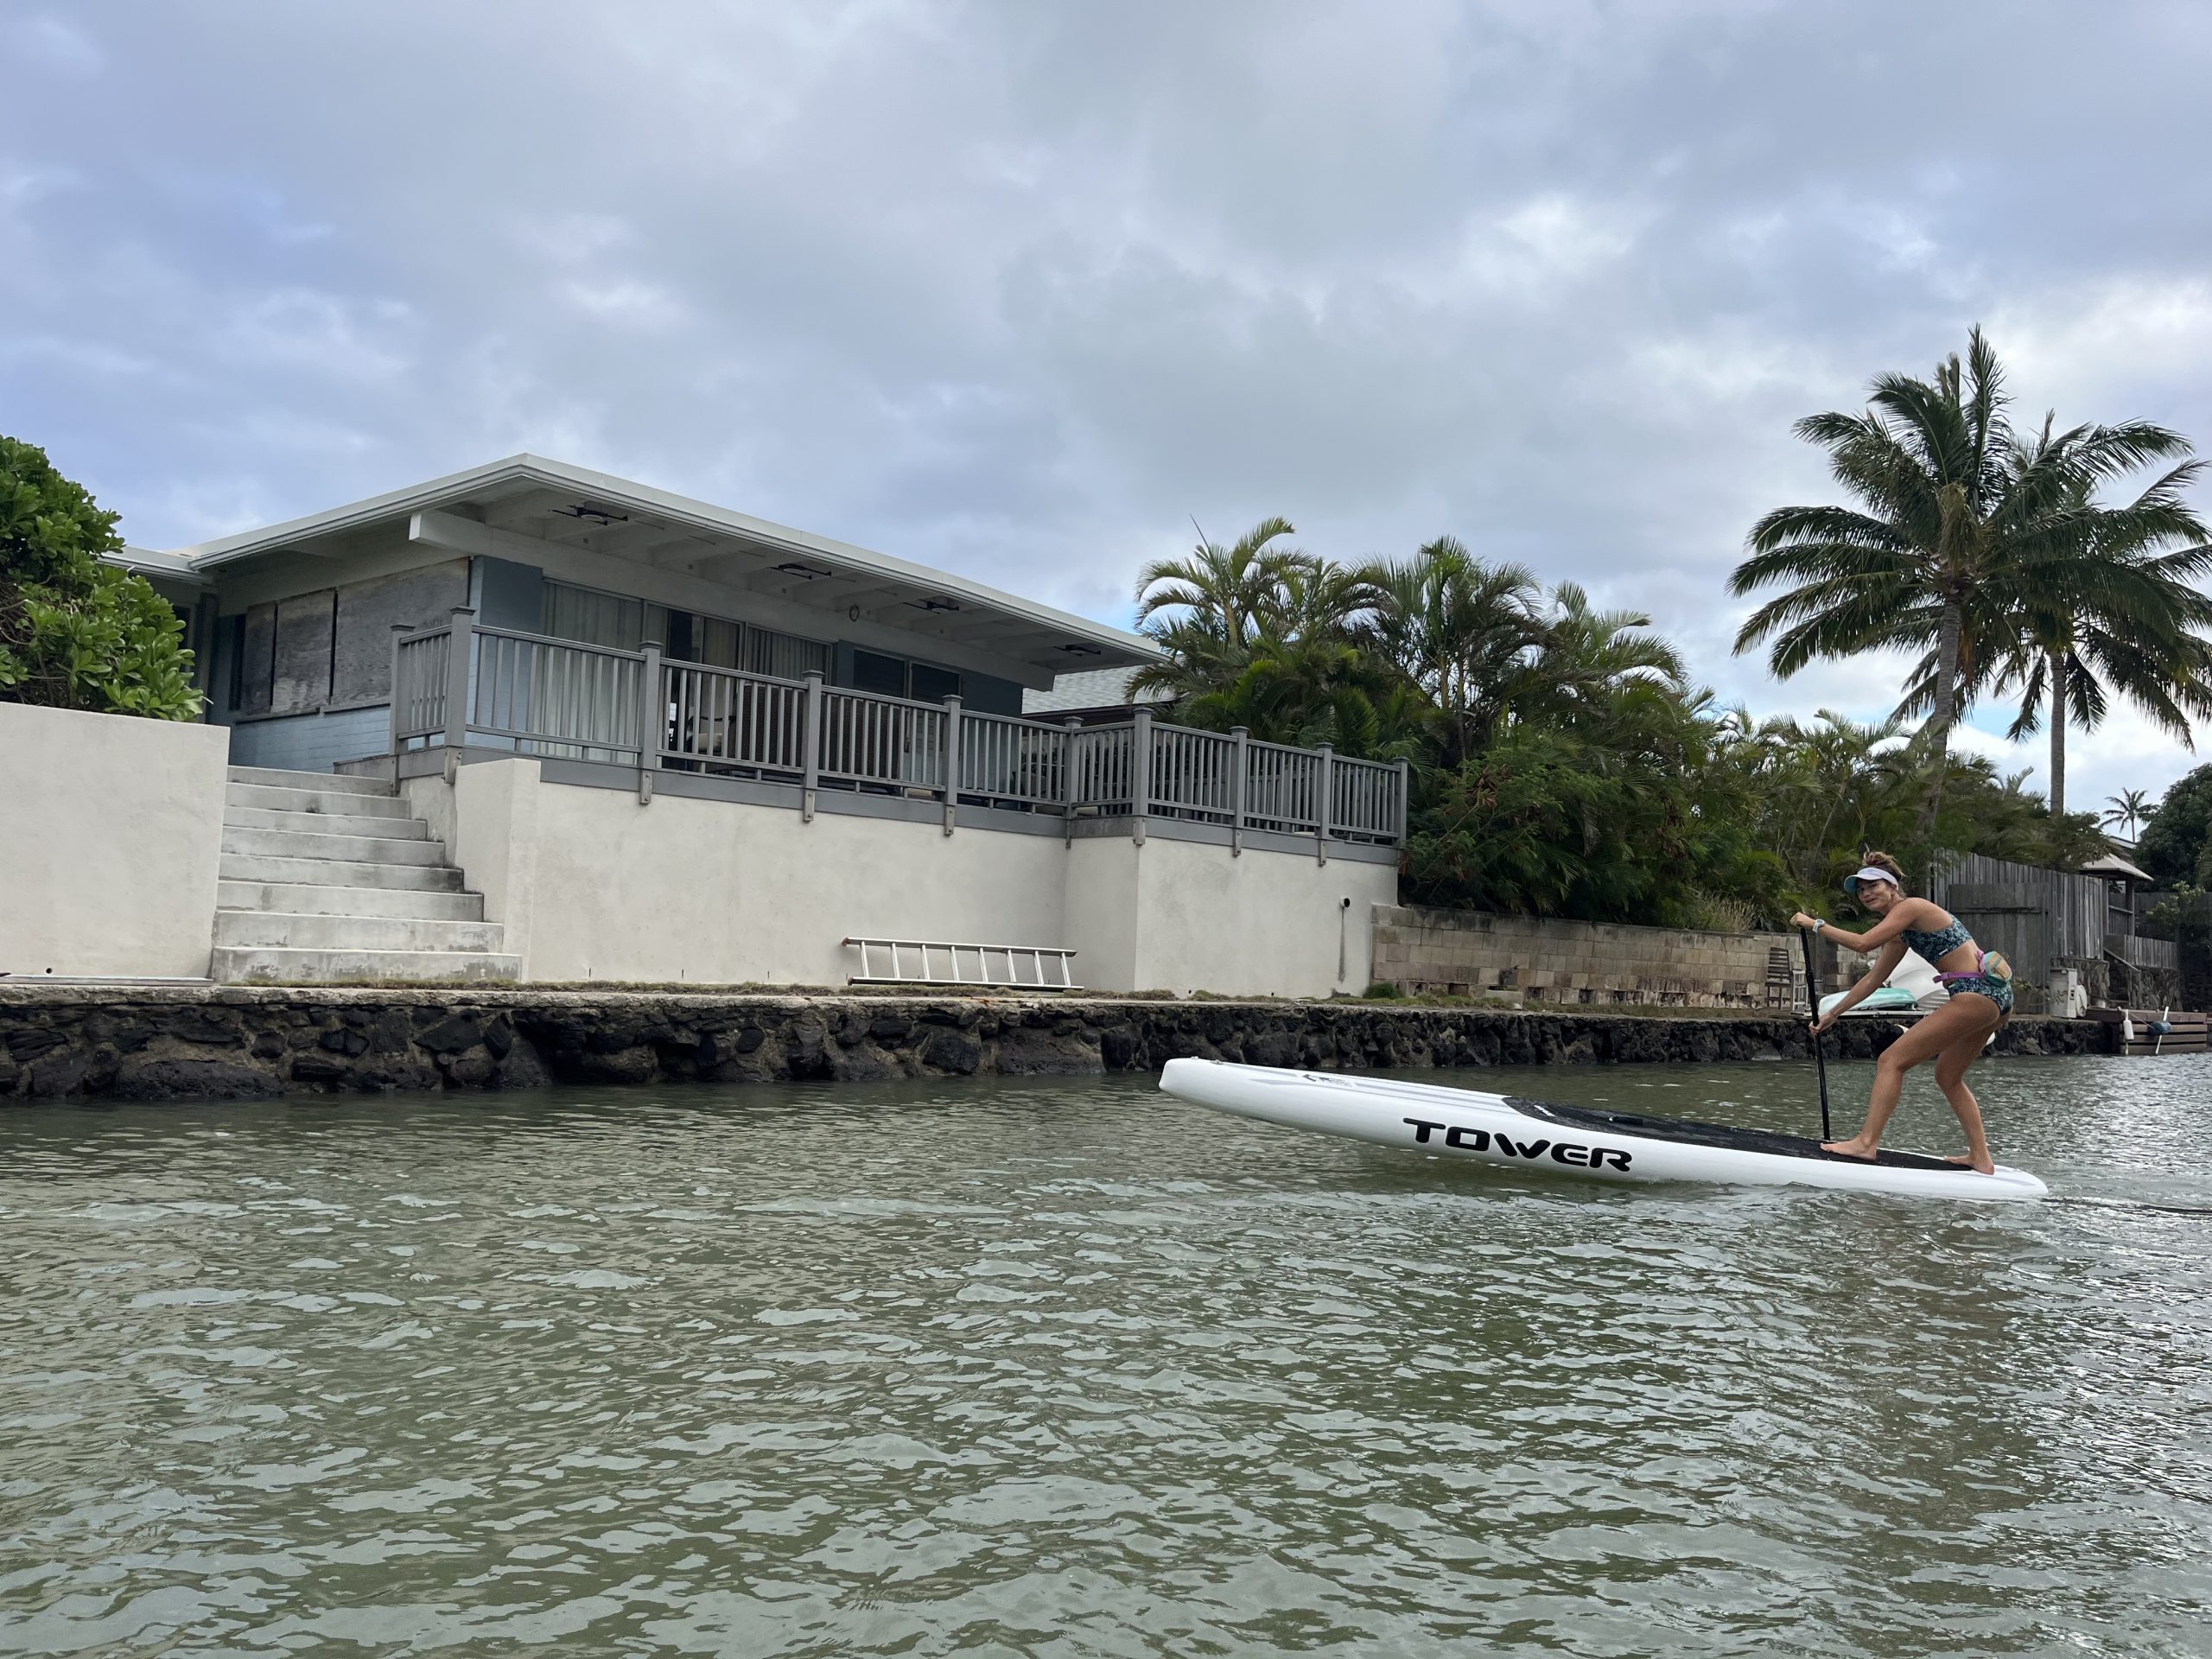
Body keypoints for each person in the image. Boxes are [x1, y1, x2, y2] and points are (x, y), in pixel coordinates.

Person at [1790, 852, 2014, 1174]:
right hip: (1994, 996)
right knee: (1948, 1077)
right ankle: (1981, 1158)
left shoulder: (1911, 907)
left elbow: (1863, 944)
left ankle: (1866, 1143)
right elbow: (1873, 979)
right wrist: (1834, 1013)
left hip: (1976, 994)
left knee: (1890, 1061)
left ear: (1892, 886)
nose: (1866, 893)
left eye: (1873, 886)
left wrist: (1816, 924)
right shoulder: (1901, 930)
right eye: (1861, 890)